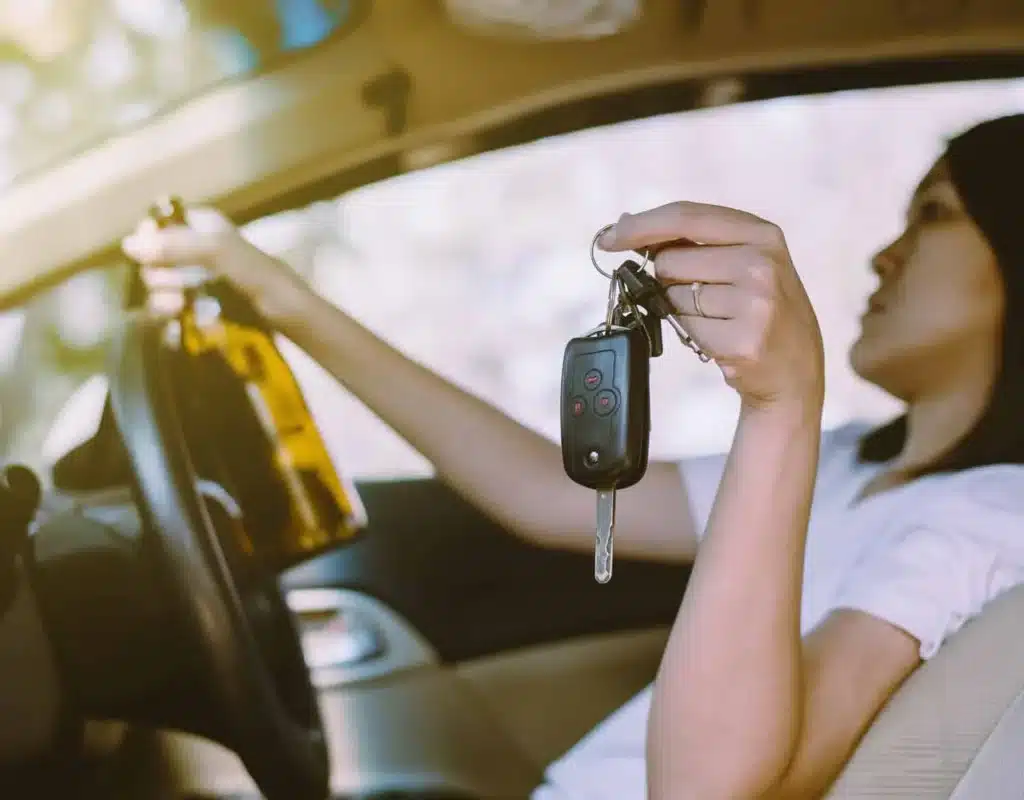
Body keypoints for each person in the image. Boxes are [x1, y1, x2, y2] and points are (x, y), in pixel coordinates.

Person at [123, 113, 1024, 799]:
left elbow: (709, 788)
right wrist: (285, 300)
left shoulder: (991, 515)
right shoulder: (857, 467)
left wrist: (780, 406)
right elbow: (546, 491)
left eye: (935, 214)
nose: (882, 255)